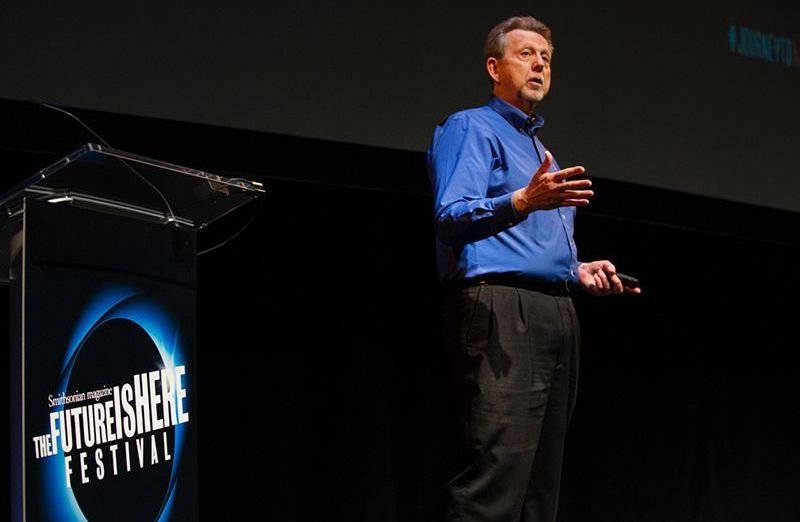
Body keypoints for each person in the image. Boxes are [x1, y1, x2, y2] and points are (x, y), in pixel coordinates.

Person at [427, 15, 640, 522]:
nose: (540, 64)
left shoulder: (543, 152)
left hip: (555, 313)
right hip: (501, 309)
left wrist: (578, 271)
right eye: (526, 54)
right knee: (495, 479)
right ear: (494, 68)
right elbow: (450, 218)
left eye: (546, 57)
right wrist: (522, 200)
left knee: (540, 490)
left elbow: (532, 247)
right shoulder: (471, 127)